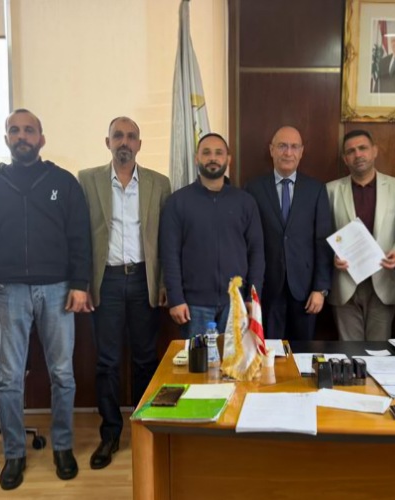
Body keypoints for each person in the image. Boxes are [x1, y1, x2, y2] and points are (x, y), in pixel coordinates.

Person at [0, 109, 91, 489]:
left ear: (41, 139)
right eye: (15, 130)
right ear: (6, 139)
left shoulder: (63, 182)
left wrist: (80, 283)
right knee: (9, 378)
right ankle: (14, 454)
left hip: (58, 289)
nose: (22, 136)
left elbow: (80, 237)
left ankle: (62, 446)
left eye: (29, 130)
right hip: (6, 290)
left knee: (62, 373)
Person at [78, 117, 171, 470]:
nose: (125, 141)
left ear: (139, 145)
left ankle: (144, 428)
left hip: (144, 278)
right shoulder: (88, 181)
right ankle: (110, 433)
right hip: (108, 281)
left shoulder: (159, 183)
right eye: (118, 135)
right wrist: (83, 283)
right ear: (108, 142)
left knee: (146, 359)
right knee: (107, 361)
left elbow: (166, 240)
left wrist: (163, 284)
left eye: (131, 136)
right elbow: (80, 236)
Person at [160, 133, 265, 337]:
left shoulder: (245, 202)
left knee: (233, 359)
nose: (213, 158)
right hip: (193, 306)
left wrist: (252, 296)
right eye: (206, 153)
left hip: (236, 303)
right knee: (198, 359)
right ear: (196, 158)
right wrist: (176, 299)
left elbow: (257, 253)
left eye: (219, 153)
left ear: (228, 159)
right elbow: (169, 255)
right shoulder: (177, 202)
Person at [245, 126, 333, 341]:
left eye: (294, 147)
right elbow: (247, 242)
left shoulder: (316, 190)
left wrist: (320, 289)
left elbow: (322, 242)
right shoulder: (253, 189)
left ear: (301, 152)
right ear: (271, 150)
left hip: (305, 291)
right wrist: (250, 290)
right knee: (270, 351)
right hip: (267, 288)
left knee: (303, 352)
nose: (288, 152)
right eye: (282, 146)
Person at [326, 130, 395, 341]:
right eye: (351, 151)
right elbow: (322, 235)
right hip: (345, 282)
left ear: (374, 151)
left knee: (378, 352)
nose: (358, 155)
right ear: (345, 158)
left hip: (383, 281)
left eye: (363, 148)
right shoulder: (330, 190)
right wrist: (332, 256)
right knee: (349, 351)